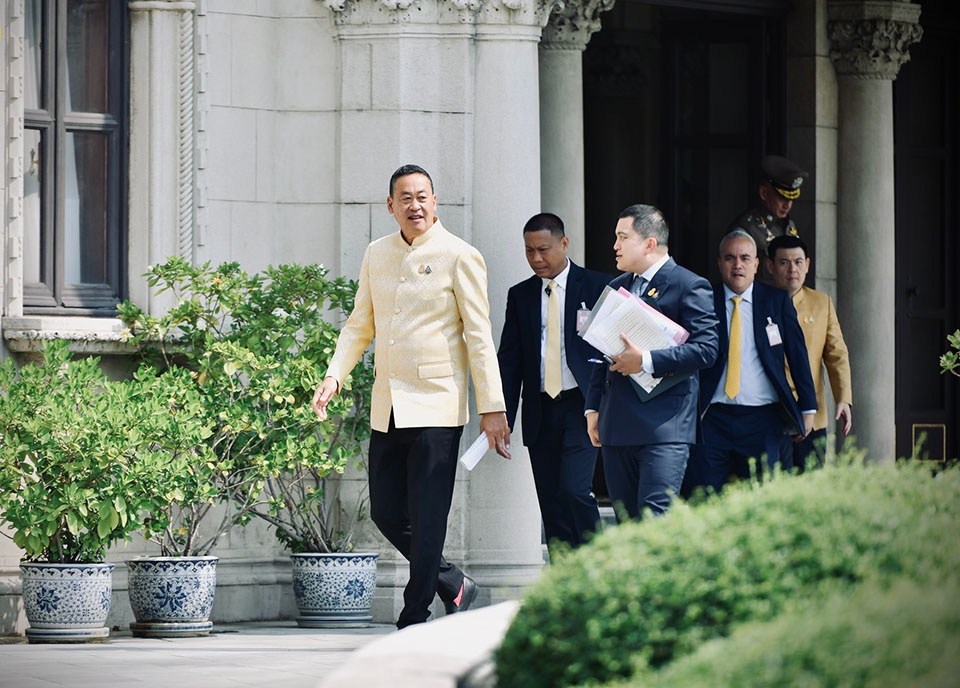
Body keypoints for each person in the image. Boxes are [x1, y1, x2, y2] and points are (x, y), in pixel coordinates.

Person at [312, 164, 510, 629]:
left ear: (435, 202)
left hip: (438, 404)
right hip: (389, 407)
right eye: (405, 198)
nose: (415, 205)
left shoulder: (461, 255)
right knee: (385, 511)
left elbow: (479, 336)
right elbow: (359, 324)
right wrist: (335, 375)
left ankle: (415, 614)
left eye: (423, 197)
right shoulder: (376, 253)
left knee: (427, 516)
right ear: (391, 205)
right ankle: (452, 582)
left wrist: (492, 407)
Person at [584, 204, 719, 520]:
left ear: (649, 243)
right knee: (626, 522)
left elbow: (707, 350)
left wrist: (645, 360)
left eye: (622, 237)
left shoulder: (689, 285)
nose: (615, 246)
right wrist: (592, 409)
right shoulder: (616, 286)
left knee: (655, 519)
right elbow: (601, 351)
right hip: (617, 423)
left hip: (665, 427)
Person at [497, 213, 611, 551]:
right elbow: (510, 361)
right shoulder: (520, 295)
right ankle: (564, 575)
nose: (536, 258)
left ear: (564, 244)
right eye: (529, 251)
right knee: (551, 500)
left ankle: (597, 562)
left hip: (582, 405)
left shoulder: (598, 286)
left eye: (543, 249)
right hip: (539, 408)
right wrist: (502, 415)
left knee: (575, 490)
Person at [694, 230, 817, 492]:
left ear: (756, 265)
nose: (738, 265)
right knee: (704, 495)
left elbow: (798, 355)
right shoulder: (704, 300)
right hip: (711, 418)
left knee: (761, 495)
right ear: (720, 263)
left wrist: (807, 408)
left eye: (745, 258)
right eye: (730, 258)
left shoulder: (775, 301)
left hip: (762, 420)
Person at [767, 235, 853, 471]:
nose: (792, 269)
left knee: (811, 481)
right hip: (772, 413)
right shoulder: (760, 302)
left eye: (798, 262)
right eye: (784, 263)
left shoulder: (821, 302)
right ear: (770, 266)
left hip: (813, 415)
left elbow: (836, 354)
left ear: (807, 264)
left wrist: (843, 398)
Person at [728, 155, 809, 284]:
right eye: (782, 198)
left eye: (791, 199)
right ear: (764, 193)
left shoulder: (789, 224)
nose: (787, 205)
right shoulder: (748, 228)